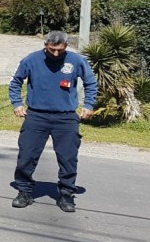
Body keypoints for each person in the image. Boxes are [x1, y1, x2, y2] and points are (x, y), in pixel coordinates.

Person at [9, 30, 97, 213]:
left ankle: (66, 194)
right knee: (27, 155)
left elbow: (91, 82)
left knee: (68, 159)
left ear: (66, 46)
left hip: (66, 118)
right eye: (52, 50)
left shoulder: (76, 60)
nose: (56, 54)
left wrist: (88, 104)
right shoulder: (31, 60)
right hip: (36, 116)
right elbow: (16, 81)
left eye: (60, 50)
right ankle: (24, 192)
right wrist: (17, 103)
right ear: (45, 46)